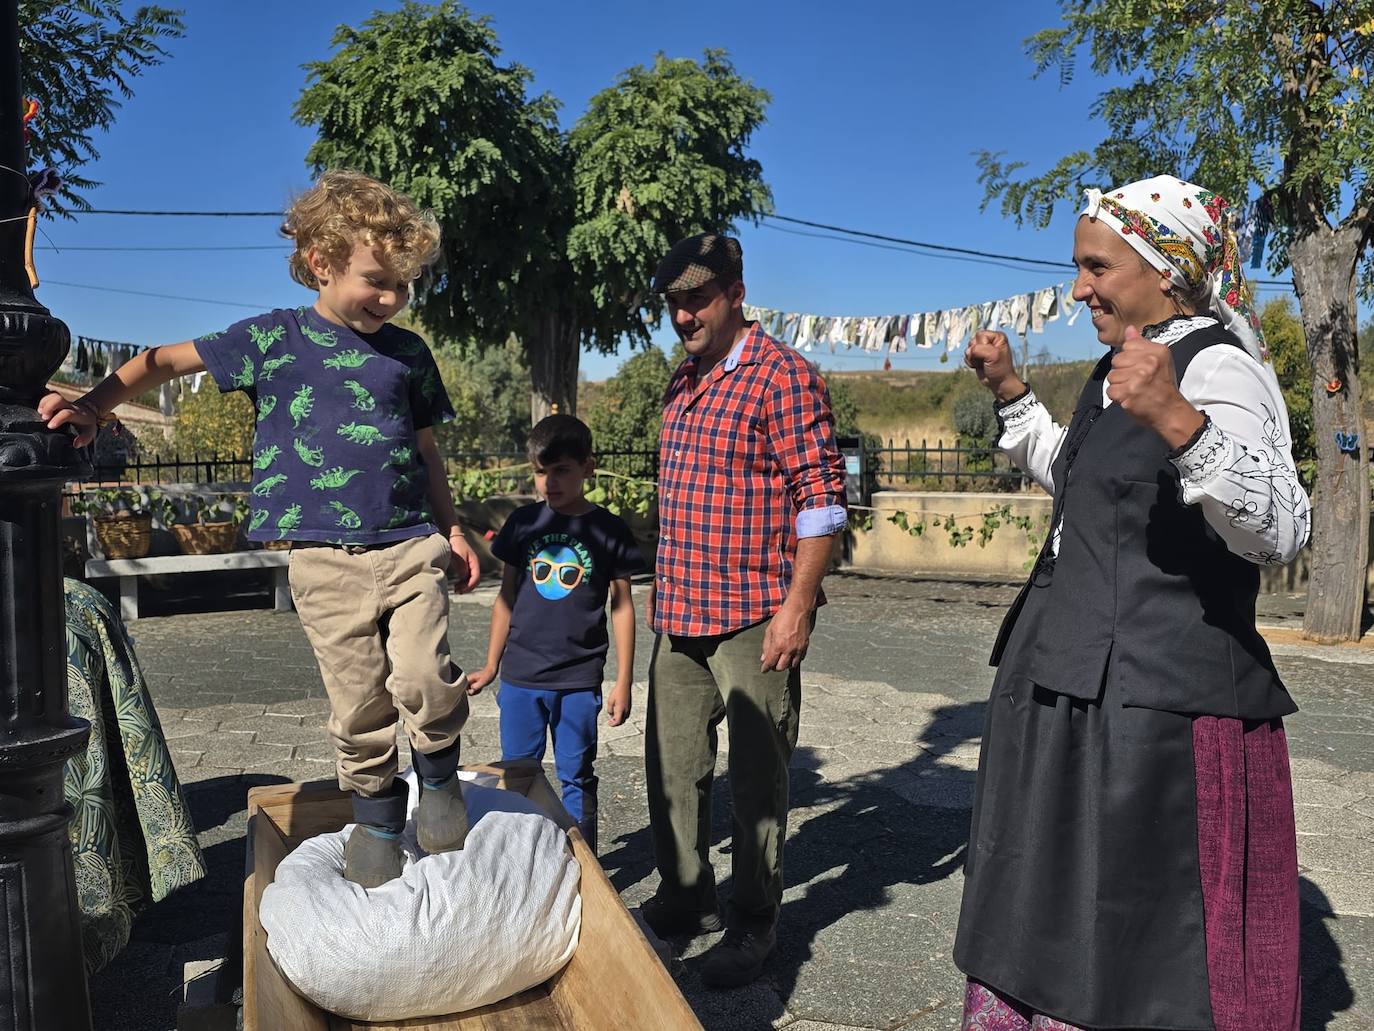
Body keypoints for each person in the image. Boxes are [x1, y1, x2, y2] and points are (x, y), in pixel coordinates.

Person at [40, 170, 482, 889]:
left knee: (424, 676)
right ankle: (377, 818)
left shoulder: (408, 355)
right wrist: (93, 405)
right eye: (377, 281)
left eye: (404, 285)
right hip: (323, 561)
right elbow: (162, 361)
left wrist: (454, 531)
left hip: (409, 544)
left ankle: (438, 779)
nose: (392, 299)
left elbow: (427, 452)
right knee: (359, 702)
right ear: (321, 261)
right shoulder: (273, 338)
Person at [956, 176, 1309, 1030]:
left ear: (1166, 270)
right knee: (1045, 914)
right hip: (1068, 689)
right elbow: (1087, 481)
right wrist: (1012, 391)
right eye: (1078, 267)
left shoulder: (1218, 366)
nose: (1080, 288)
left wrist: (1181, 420)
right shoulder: (1122, 365)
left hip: (1153, 712)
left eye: (1097, 267)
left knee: (1139, 939)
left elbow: (1283, 530)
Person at [640, 232, 847, 989]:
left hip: (756, 612)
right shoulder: (684, 378)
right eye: (674, 302)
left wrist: (798, 607)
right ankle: (686, 897)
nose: (684, 315)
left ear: (735, 293)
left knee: (757, 781)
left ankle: (754, 922)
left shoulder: (781, 376)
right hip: (680, 610)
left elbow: (821, 497)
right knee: (672, 770)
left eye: (697, 298)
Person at [465, 414, 644, 851]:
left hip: (579, 680)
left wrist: (622, 681)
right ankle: (523, 863)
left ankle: (583, 862)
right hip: (521, 678)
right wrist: (490, 665)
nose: (550, 482)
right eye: (541, 471)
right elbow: (505, 598)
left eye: (562, 470)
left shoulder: (609, 530)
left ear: (588, 467)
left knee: (576, 775)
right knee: (517, 777)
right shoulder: (522, 524)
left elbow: (622, 608)